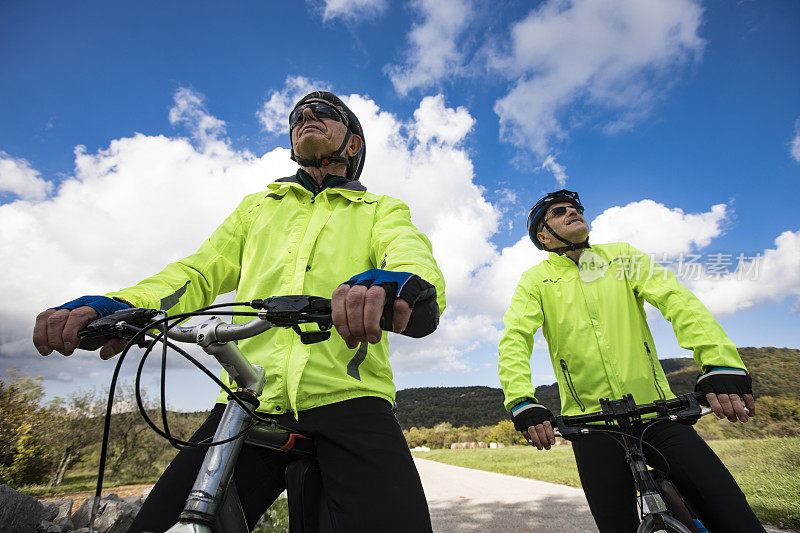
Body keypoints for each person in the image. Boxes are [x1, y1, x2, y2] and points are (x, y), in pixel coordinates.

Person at [32, 91, 444, 532]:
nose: (306, 115)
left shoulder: (381, 209)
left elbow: (410, 256)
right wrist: (125, 304)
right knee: (159, 523)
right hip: (247, 398)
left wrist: (397, 285)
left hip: (350, 396)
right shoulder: (257, 208)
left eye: (324, 112)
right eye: (297, 115)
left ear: (354, 144)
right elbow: (198, 271)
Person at [497, 189, 765, 532]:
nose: (573, 212)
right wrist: (522, 400)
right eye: (560, 211)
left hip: (655, 410)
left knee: (731, 510)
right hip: (590, 424)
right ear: (544, 235)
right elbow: (515, 339)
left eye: (576, 208)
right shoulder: (535, 280)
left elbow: (677, 300)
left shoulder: (621, 256)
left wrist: (720, 362)